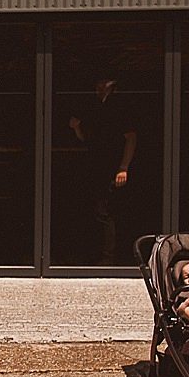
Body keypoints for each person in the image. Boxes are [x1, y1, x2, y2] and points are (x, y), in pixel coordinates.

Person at [69, 77, 136, 263]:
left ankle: (110, 257)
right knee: (96, 211)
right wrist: (76, 128)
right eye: (97, 84)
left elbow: (131, 138)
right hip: (95, 166)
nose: (98, 88)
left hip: (112, 167)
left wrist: (123, 167)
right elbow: (88, 139)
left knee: (107, 212)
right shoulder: (96, 107)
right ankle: (96, 255)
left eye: (103, 84)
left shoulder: (120, 106)